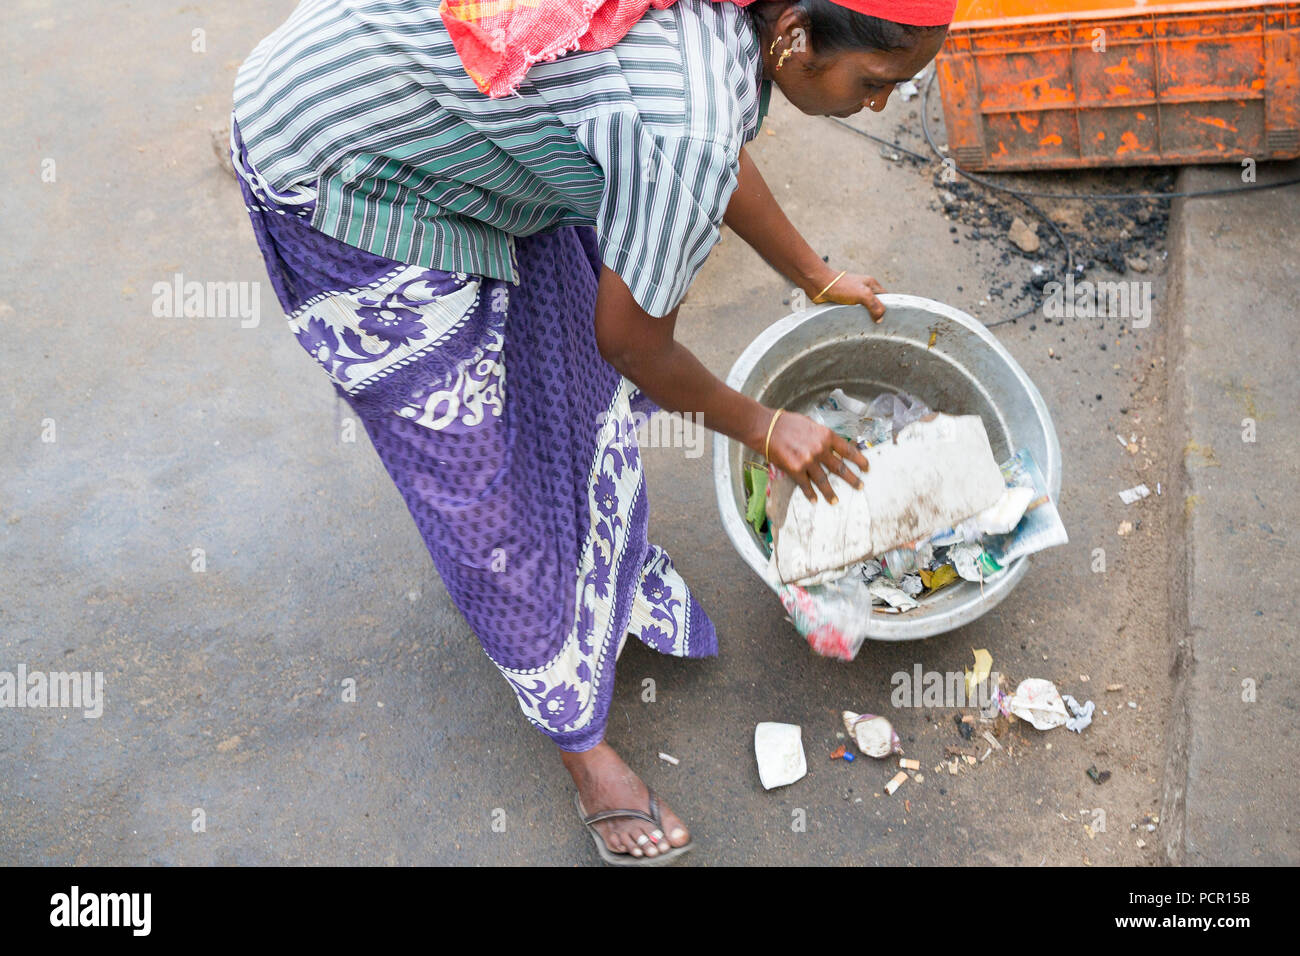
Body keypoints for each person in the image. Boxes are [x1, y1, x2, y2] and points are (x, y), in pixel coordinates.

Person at [231, 0, 955, 863]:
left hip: (429, 101)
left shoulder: (733, 47)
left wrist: (813, 272)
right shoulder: (685, 117)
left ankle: (589, 577)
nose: (877, 106)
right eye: (874, 83)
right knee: (470, 467)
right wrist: (762, 425)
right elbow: (637, 340)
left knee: (560, 362)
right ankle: (580, 743)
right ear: (794, 33)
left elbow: (706, 154)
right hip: (341, 154)